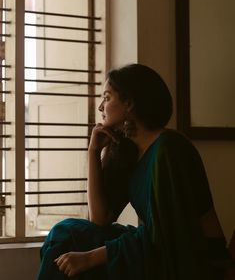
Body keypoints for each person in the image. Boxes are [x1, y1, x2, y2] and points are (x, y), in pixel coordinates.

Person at [37, 64, 232, 280]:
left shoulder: (169, 149)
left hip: (192, 254)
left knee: (82, 255)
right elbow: (99, 220)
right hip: (154, 245)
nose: (101, 107)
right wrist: (93, 153)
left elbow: (170, 235)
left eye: (107, 97)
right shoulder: (129, 153)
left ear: (129, 103)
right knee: (67, 233)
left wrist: (91, 257)